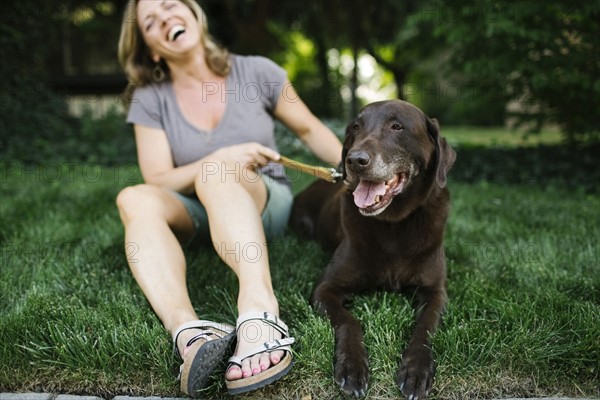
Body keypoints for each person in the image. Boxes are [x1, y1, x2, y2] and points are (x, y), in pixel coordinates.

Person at [116, 0, 343, 396]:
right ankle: (189, 333)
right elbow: (159, 177)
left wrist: (355, 170)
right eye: (151, 21)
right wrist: (218, 158)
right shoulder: (150, 98)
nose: (165, 17)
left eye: (171, 5)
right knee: (134, 197)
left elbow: (308, 129)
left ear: (193, 14)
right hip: (196, 209)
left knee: (216, 173)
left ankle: (260, 312)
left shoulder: (257, 71)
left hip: (261, 201)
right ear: (152, 48)